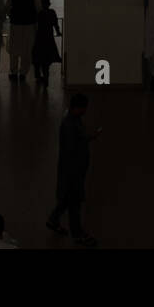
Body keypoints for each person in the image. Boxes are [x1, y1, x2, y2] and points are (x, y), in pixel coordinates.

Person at [47, 93, 100, 247]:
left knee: (66, 200)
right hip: (72, 173)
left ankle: (53, 219)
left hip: (70, 172)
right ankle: (78, 234)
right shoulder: (70, 125)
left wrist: (88, 137)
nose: (85, 111)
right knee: (74, 204)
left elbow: (79, 139)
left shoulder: (72, 120)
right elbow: (72, 151)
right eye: (84, 108)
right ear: (78, 108)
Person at [32, 0, 62, 85]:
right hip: (49, 38)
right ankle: (46, 77)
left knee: (37, 58)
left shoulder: (39, 13)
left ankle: (37, 75)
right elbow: (55, 24)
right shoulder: (52, 12)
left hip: (39, 38)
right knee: (46, 61)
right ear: (49, 4)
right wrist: (58, 32)